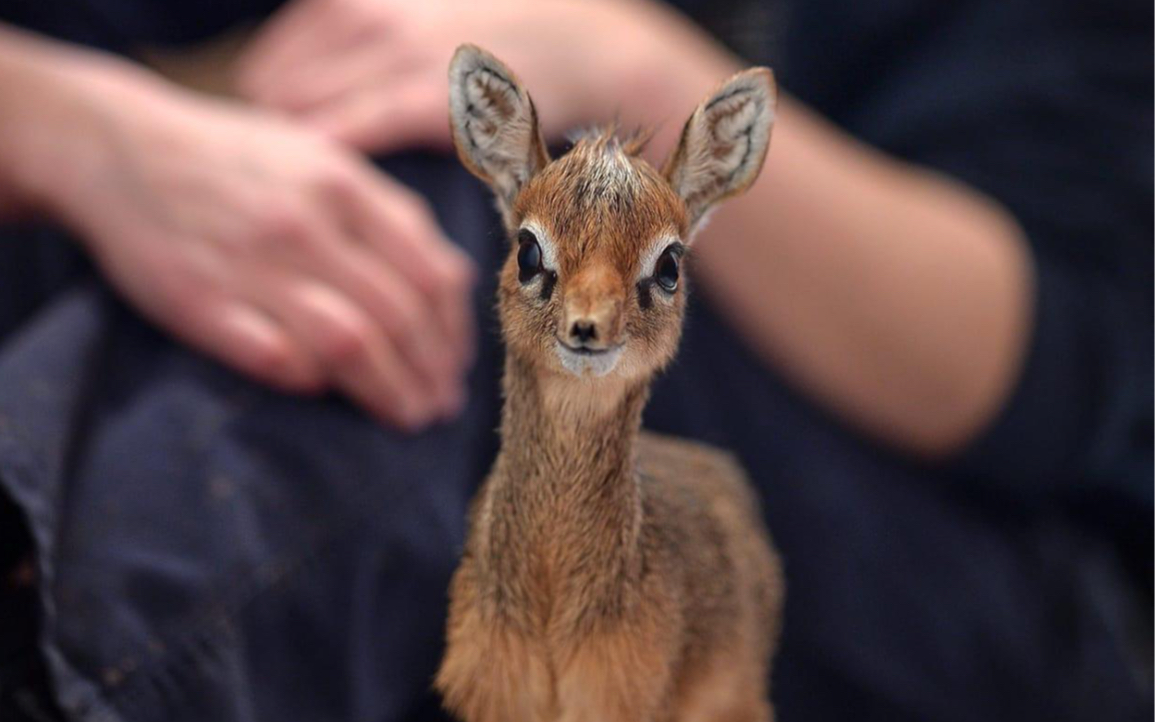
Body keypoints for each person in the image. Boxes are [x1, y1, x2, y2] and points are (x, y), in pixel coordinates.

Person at [0, 0, 1150, 720]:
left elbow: (1033, 374)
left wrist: (629, 59)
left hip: (921, 558)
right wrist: (82, 135)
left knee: (477, 204)